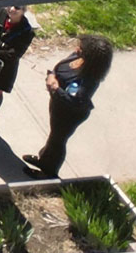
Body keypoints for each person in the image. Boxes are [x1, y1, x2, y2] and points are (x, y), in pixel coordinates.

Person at [23, 34, 112, 177]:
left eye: (82, 49)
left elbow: (75, 101)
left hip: (70, 113)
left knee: (58, 140)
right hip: (58, 105)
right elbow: (58, 68)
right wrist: (51, 75)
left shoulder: (89, 79)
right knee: (53, 136)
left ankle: (49, 173)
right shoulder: (77, 57)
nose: (77, 49)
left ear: (91, 57)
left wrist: (55, 88)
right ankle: (43, 159)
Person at [0, 3, 37, 134]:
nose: (11, 9)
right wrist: (3, 45)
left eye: (17, 7)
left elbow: (13, 55)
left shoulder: (27, 31)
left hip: (3, 69)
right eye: (9, 5)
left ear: (24, 11)